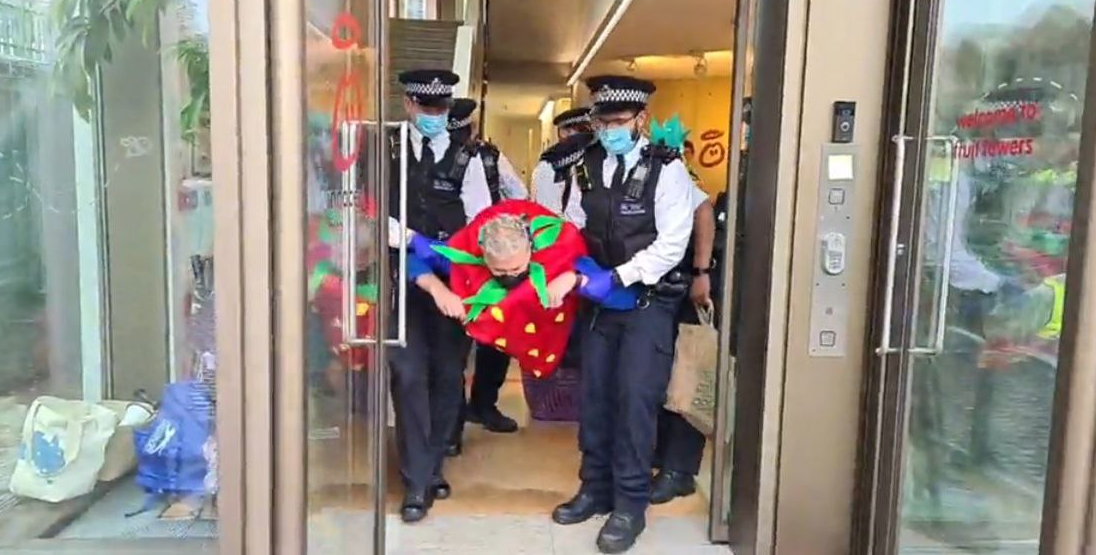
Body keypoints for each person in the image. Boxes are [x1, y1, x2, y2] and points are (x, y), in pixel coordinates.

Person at [550, 75, 695, 554]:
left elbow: (671, 243)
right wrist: (573, 268)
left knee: (635, 401)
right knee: (594, 397)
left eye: (617, 121)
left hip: (646, 304)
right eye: (602, 121)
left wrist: (617, 277)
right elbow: (572, 226)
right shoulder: (586, 165)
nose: (609, 129)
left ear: (641, 120)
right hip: (598, 304)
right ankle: (595, 487)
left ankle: (630, 505)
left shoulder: (666, 169)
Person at [385, 69, 494, 524]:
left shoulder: (468, 159)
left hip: (456, 284)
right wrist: (411, 240)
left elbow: (483, 224)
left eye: (441, 108)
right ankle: (417, 481)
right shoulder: (387, 151)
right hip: (404, 284)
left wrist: (451, 256)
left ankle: (431, 467)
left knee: (448, 377)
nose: (434, 115)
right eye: (426, 107)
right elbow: (372, 215)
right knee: (409, 375)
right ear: (409, 105)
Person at [443, 99, 528, 453]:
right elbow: (520, 196)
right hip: (460, 260)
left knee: (489, 340)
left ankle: (476, 409)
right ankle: (461, 415)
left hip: (484, 259)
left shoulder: (487, 157)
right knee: (464, 342)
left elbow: (519, 197)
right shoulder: (480, 156)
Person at [532, 107, 592, 210]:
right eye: (582, 130)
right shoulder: (551, 164)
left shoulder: (595, 157)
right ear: (564, 133)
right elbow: (547, 207)